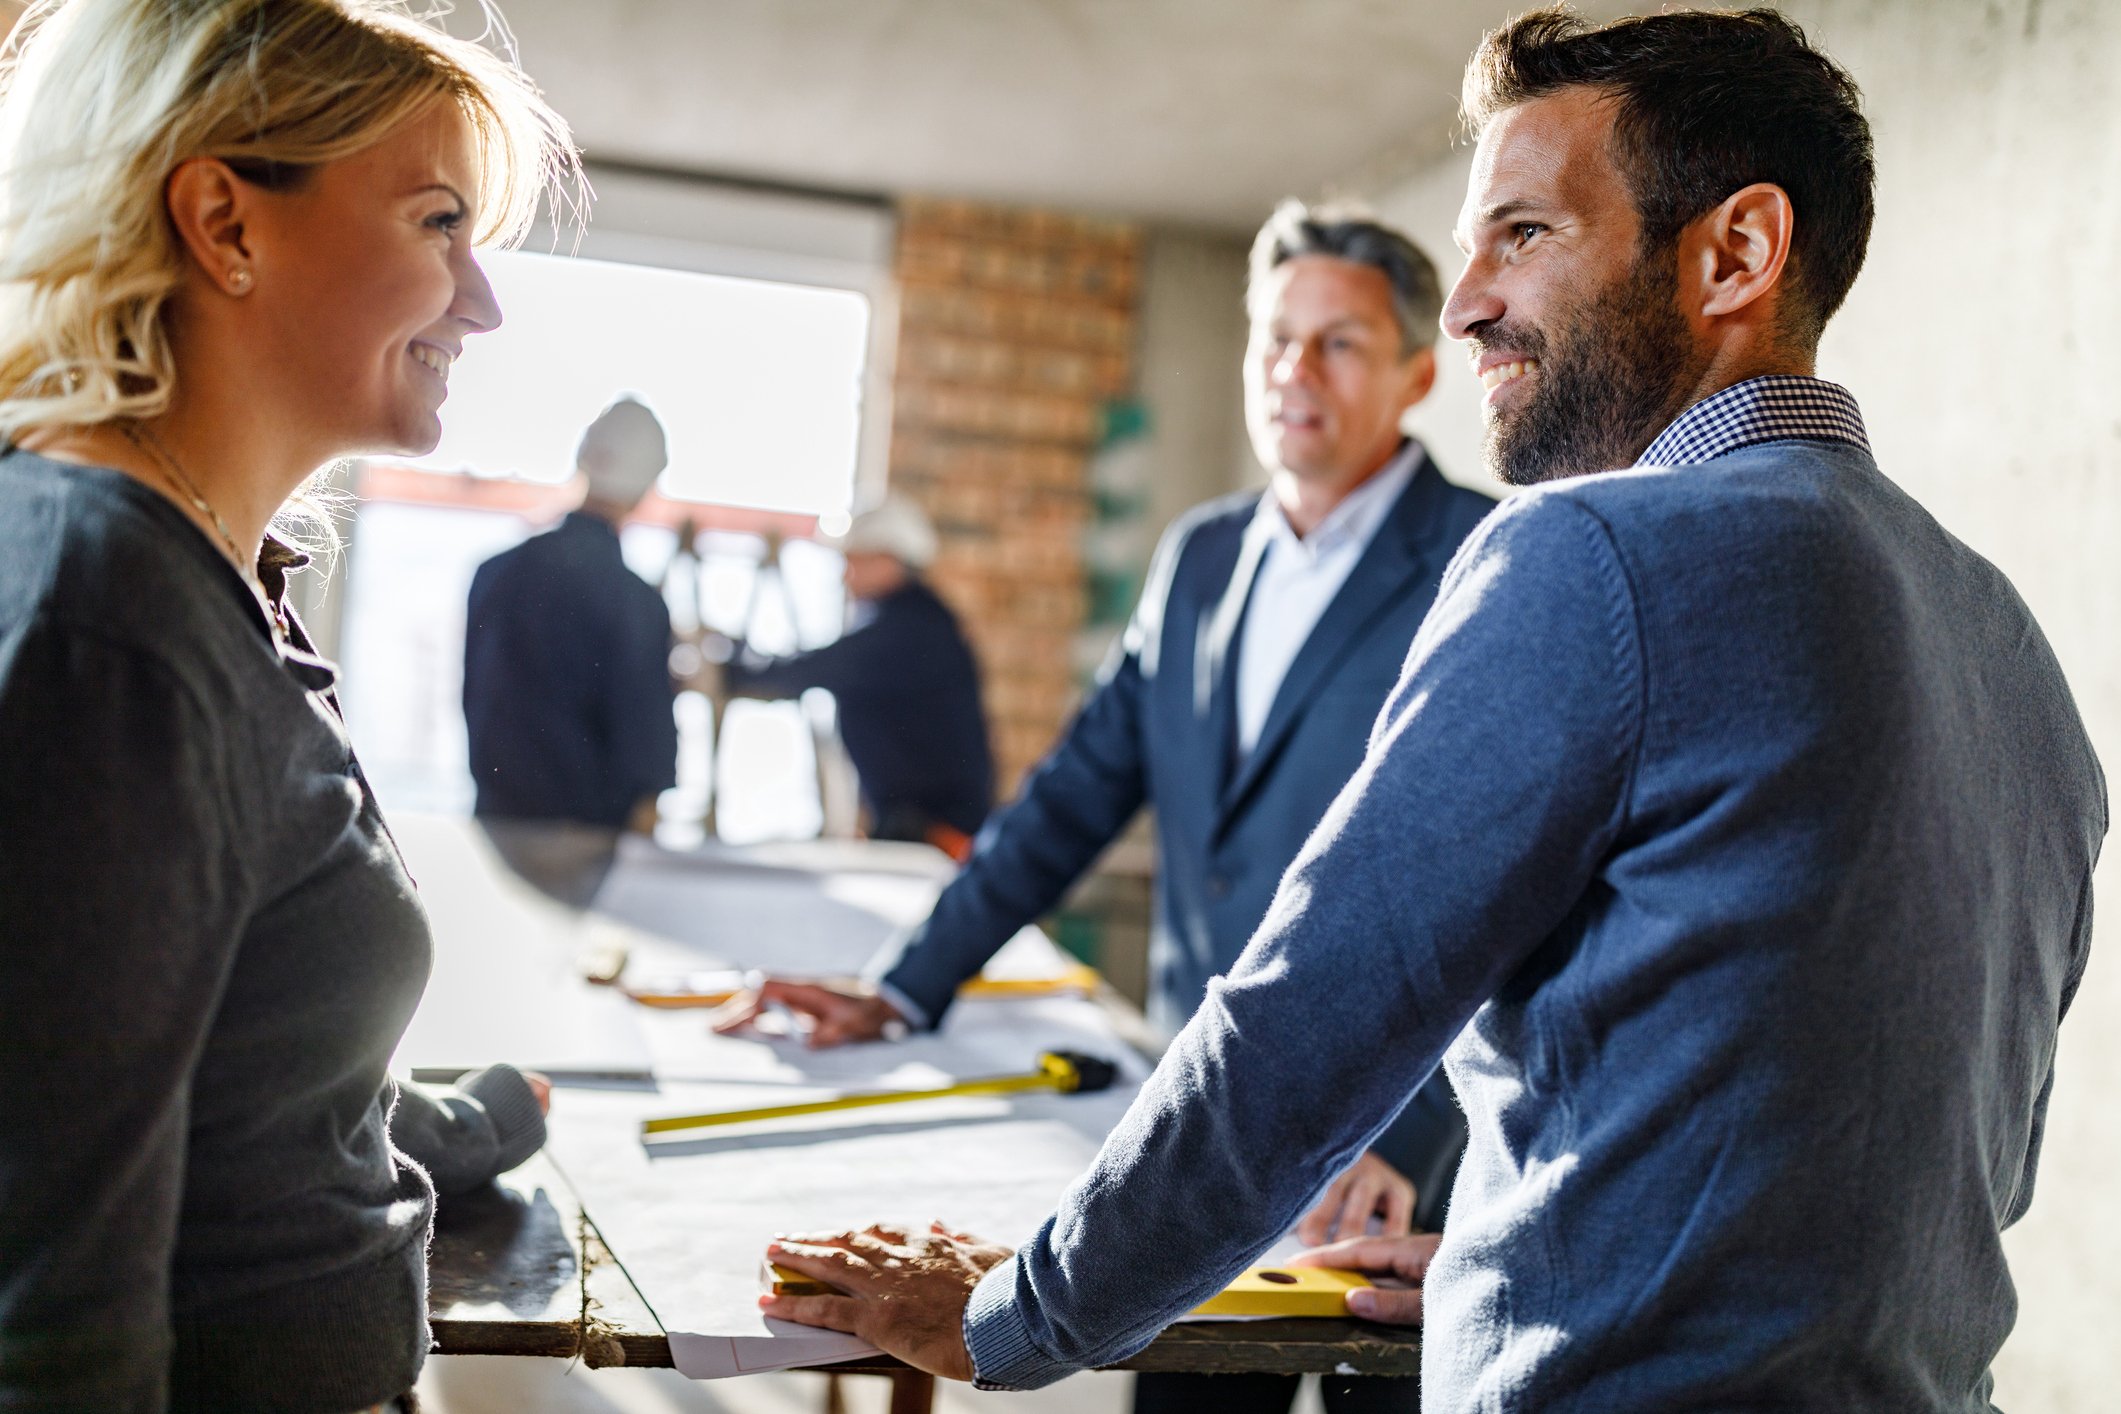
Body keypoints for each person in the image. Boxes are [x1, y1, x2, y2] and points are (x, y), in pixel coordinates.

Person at [754, 9, 2105, 1411]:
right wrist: (1551, 1241)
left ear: (1736, 256)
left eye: (1523, 233)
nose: (1465, 303)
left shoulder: (1591, 554)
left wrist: (1010, 1311)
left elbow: (1305, 1024)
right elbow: (1936, 1156)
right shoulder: (2005, 636)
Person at [719, 202, 1497, 1412]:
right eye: (1275, 340)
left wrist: (1416, 1133)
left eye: (1338, 343)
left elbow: (1516, 878)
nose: (1296, 371)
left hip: (1394, 1166)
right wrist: (907, 980)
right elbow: (1072, 796)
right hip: (1202, 1130)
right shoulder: (1198, 560)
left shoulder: (1487, 559)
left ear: (1415, 372)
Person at [0, 2, 579, 1410]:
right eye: (438, 222)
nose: (481, 301)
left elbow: (226, 1081)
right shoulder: (111, 617)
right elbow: (49, 1312)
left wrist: (480, 1119)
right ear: (225, 221)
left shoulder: (202, 570)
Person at [462, 395, 679, 905]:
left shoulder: (494, 574)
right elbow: (643, 750)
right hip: (587, 842)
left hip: (494, 828)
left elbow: (476, 697)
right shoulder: (635, 601)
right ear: (647, 489)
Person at [721, 496, 994, 856]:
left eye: (853, 560)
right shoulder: (919, 620)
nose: (843, 574)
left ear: (887, 558)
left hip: (937, 834)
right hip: (924, 826)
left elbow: (816, 669)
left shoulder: (909, 629)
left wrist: (734, 669)